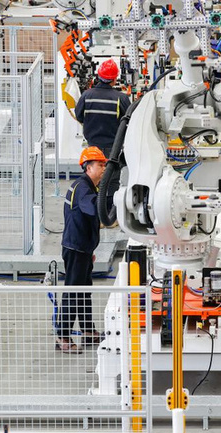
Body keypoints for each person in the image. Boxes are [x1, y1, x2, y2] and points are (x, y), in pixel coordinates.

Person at [57, 147, 107, 353]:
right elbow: (93, 209)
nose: (104, 169)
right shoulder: (84, 189)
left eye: (104, 164)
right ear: (88, 167)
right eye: (100, 165)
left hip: (82, 248)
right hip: (76, 249)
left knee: (84, 291)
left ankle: (87, 331)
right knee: (73, 292)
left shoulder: (86, 186)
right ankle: (62, 337)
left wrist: (90, 248)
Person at [74, 59, 131, 159]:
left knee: (95, 172)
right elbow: (130, 121)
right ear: (114, 79)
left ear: (99, 76)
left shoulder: (86, 95)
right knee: (110, 173)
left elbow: (79, 116)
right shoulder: (121, 98)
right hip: (113, 148)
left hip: (92, 146)